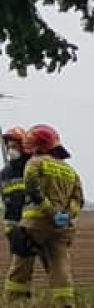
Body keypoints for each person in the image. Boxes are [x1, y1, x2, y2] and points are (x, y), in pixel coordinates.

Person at [15, 125, 83, 308]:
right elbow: (78, 200)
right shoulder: (70, 171)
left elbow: (32, 189)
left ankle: (14, 306)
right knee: (60, 266)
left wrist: (50, 212)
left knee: (22, 264)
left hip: (35, 224)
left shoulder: (35, 162)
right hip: (62, 228)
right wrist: (65, 216)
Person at [2, 126, 34, 298]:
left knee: (53, 264)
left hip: (35, 223)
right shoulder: (5, 173)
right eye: (9, 146)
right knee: (21, 265)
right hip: (16, 226)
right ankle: (17, 299)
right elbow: (7, 201)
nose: (10, 149)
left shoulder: (32, 166)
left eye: (14, 145)